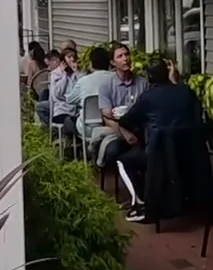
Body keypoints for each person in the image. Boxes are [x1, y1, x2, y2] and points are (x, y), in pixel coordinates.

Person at [116, 59, 205, 221]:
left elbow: (126, 120)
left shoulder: (148, 97)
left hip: (159, 156)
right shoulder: (186, 91)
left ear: (149, 77)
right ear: (168, 73)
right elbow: (198, 116)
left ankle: (143, 202)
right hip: (190, 155)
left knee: (124, 160)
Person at [98, 44, 149, 212]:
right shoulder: (106, 84)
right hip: (118, 131)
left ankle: (141, 195)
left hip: (140, 129)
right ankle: (128, 193)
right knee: (113, 152)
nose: (125, 58)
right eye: (120, 56)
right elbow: (106, 116)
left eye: (126, 55)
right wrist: (125, 132)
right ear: (113, 62)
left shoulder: (141, 82)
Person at [64, 46, 114, 142]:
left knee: (67, 121)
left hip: (87, 128)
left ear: (91, 64)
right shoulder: (116, 79)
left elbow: (69, 100)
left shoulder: (83, 81)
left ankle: (77, 150)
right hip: (111, 126)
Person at [35, 49, 67, 125]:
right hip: (60, 102)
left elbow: (56, 94)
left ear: (55, 61)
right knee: (44, 92)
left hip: (60, 104)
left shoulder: (56, 73)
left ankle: (50, 125)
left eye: (49, 65)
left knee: (38, 106)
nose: (48, 68)